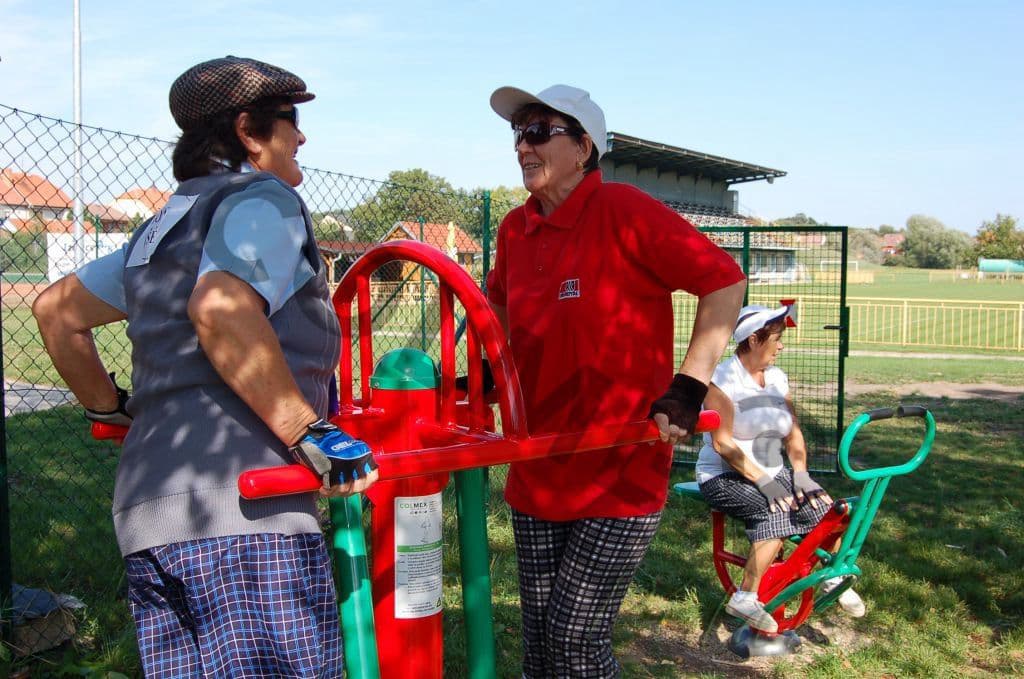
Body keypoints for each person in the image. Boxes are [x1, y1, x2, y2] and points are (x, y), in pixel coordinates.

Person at [32, 56, 378, 677]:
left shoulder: (160, 229)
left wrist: (110, 410)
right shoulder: (262, 200)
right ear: (248, 131)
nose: (302, 136)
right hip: (245, 514)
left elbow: (57, 313)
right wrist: (309, 431)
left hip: (148, 518)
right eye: (290, 120)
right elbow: (219, 308)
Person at [486, 83, 747, 677]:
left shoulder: (623, 210)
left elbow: (724, 280)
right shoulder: (514, 229)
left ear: (583, 148)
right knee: (540, 639)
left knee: (576, 635)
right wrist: (484, 370)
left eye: (539, 131)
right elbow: (497, 307)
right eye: (518, 133)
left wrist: (689, 385)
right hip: (538, 460)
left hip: (618, 463)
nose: (523, 145)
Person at [696, 304, 865, 633]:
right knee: (775, 511)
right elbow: (723, 445)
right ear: (755, 339)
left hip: (770, 472)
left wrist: (800, 474)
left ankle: (828, 575)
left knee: (827, 508)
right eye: (778, 338)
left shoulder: (776, 377)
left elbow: (792, 429)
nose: (782, 345)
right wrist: (769, 485)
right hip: (722, 475)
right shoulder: (721, 380)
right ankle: (745, 596)